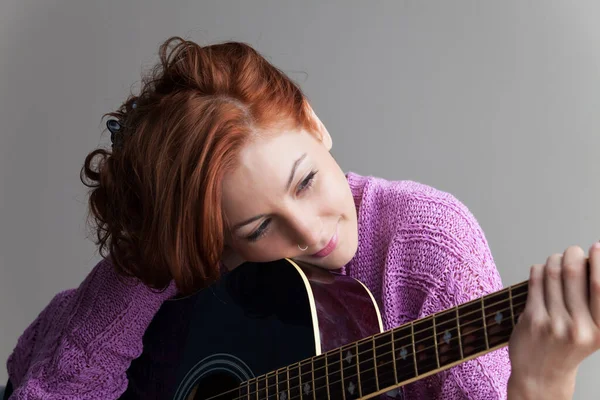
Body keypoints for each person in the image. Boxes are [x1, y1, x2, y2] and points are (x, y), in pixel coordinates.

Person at [4, 36, 600, 400]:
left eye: (307, 180)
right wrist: (155, 255)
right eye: (259, 229)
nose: (312, 233)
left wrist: (540, 387)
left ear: (315, 125)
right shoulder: (184, 252)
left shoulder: (424, 242)